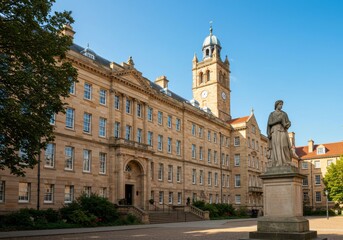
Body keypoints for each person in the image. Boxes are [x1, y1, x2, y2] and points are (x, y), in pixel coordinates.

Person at [267, 100, 292, 167]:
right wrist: (278, 121)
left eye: (282, 105)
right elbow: (269, 123)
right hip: (274, 131)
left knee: (284, 145)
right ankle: (278, 162)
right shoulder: (272, 114)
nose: (281, 106)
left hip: (282, 130)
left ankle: (287, 161)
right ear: (276, 105)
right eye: (280, 104)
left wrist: (288, 124)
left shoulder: (284, 114)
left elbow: (288, 122)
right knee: (276, 147)